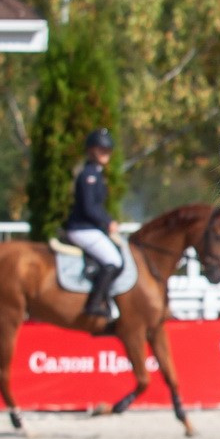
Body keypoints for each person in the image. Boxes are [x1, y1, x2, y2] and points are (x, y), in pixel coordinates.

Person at [64, 128, 123, 327]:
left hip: (90, 228)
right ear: (91, 151)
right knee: (113, 260)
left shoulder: (96, 173)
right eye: (101, 149)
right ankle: (95, 304)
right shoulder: (89, 174)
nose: (105, 152)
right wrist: (108, 222)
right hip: (82, 228)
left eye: (107, 149)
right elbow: (89, 207)